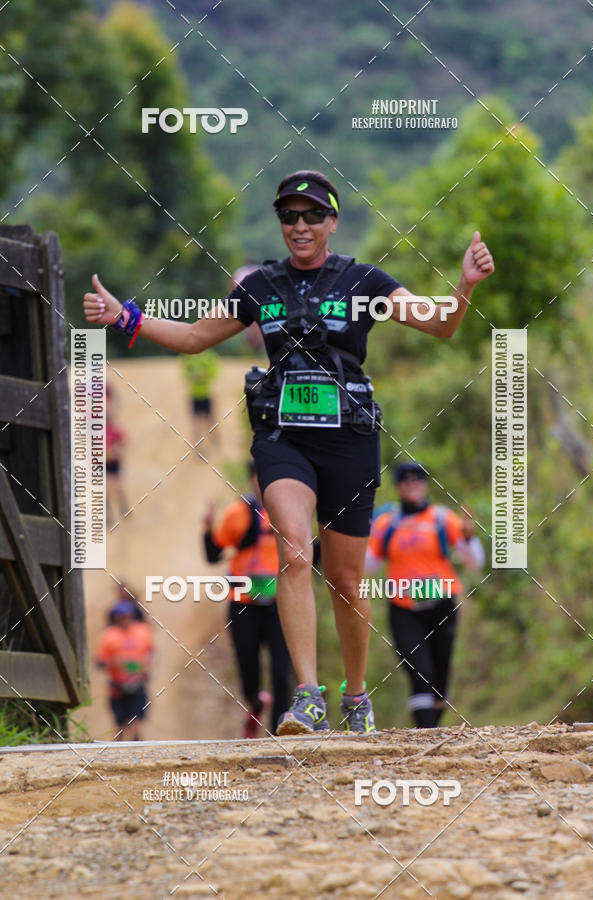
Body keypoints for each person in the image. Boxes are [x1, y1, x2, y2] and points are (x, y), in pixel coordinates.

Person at [83, 168, 495, 735]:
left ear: (332, 222)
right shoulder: (260, 287)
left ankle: (356, 696)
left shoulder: (364, 281)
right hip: (283, 439)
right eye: (289, 216)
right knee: (296, 554)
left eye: (312, 215)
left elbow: (441, 325)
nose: (300, 226)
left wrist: (465, 285)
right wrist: (127, 317)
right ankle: (307, 697)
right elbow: (195, 338)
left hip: (349, 440)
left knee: (345, 580)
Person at [366, 461, 485, 727]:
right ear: (398, 487)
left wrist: (468, 538)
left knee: (440, 681)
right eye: (406, 481)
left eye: (418, 480)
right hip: (403, 608)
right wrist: (360, 533)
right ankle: (426, 735)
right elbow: (368, 566)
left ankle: (432, 728)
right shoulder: (386, 523)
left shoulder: (442, 518)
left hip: (442, 605)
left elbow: (474, 562)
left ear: (426, 485)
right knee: (420, 673)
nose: (413, 485)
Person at [203, 460, 291, 737]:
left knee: (281, 672)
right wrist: (207, 530)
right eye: (258, 476)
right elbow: (213, 554)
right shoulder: (237, 514)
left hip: (280, 606)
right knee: (248, 669)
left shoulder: (291, 512)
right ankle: (255, 704)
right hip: (244, 606)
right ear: (252, 479)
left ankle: (279, 732)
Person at [96, 592, 154, 740]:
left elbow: (150, 653)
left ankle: (136, 743)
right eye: (121, 616)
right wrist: (115, 663)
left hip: (137, 685)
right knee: (120, 724)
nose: (125, 619)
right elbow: (100, 662)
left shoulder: (143, 632)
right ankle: (120, 747)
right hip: (117, 687)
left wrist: (142, 667)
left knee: (136, 722)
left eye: (127, 616)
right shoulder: (109, 635)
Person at [181, 347, 221, 453]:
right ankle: (199, 448)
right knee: (196, 423)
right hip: (194, 395)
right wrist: (193, 376)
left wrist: (205, 375)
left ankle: (215, 443)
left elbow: (216, 371)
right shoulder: (188, 357)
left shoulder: (209, 355)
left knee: (211, 421)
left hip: (207, 394)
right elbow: (184, 373)